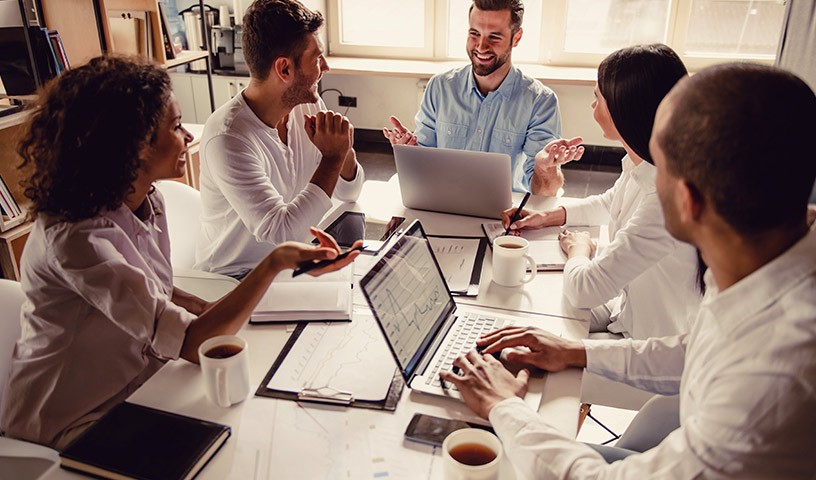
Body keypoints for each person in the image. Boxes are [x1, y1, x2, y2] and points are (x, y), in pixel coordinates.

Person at [441, 63, 816, 477]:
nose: (647, 173)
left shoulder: (776, 377)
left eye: (658, 161)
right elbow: (697, 348)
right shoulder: (767, 261)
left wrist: (504, 407)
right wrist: (576, 351)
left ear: (687, 199)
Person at [0, 55, 361, 449]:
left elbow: (174, 300)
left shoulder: (143, 203)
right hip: (72, 422)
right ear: (134, 145)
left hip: (141, 389)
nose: (189, 138)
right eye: (174, 127)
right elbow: (189, 342)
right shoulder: (76, 241)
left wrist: (288, 286)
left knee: (266, 416)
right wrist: (275, 263)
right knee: (252, 440)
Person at [503, 44, 700, 340]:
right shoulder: (647, 167)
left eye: (597, 98)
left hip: (645, 344)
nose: (592, 106)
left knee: (543, 330)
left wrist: (580, 248)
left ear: (624, 109)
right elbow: (610, 204)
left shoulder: (664, 201)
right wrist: (547, 216)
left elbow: (585, 290)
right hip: (625, 310)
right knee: (529, 315)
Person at [195, 0, 364, 278]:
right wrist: (332, 158)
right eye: (316, 58)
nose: (326, 67)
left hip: (293, 264)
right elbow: (282, 232)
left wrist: (344, 151)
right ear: (284, 69)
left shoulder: (307, 106)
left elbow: (349, 193)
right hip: (235, 279)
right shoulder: (228, 138)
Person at [383, 0, 583, 195]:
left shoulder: (540, 101)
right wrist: (410, 151)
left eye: (494, 37)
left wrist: (545, 169)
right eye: (474, 33)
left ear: (517, 38)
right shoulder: (440, 87)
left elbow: (544, 191)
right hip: (443, 206)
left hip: (505, 218)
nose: (481, 46)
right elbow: (425, 165)